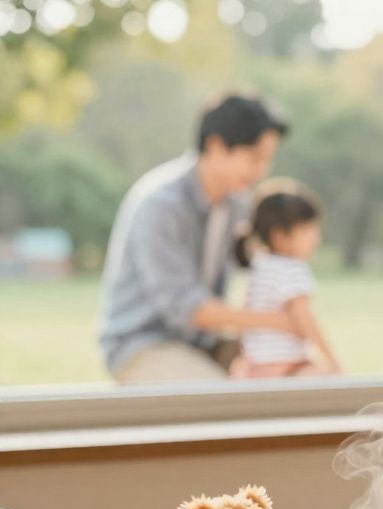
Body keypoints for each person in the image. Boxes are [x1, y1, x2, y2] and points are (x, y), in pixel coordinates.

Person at [98, 94, 298, 383]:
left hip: (203, 344)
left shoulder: (236, 205)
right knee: (219, 402)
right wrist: (275, 322)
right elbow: (186, 306)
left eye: (268, 159)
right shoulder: (161, 204)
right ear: (215, 146)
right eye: (254, 157)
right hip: (143, 344)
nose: (262, 171)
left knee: (298, 373)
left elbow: (262, 262)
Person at [232, 179, 341, 378]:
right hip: (289, 367)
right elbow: (304, 318)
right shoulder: (292, 269)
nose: (316, 237)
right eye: (308, 230)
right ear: (280, 235)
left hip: (255, 367)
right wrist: (333, 361)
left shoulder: (259, 266)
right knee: (329, 384)